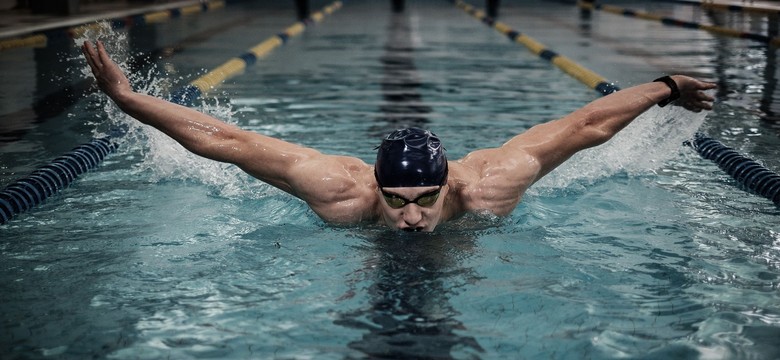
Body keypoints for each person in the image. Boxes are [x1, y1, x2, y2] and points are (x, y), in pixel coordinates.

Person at [82, 40, 716, 232]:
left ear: (448, 184)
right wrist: (127, 98)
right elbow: (222, 141)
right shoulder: (338, 188)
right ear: (375, 186)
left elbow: (586, 126)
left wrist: (665, 85)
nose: (411, 217)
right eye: (396, 199)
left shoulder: (491, 183)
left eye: (424, 199)